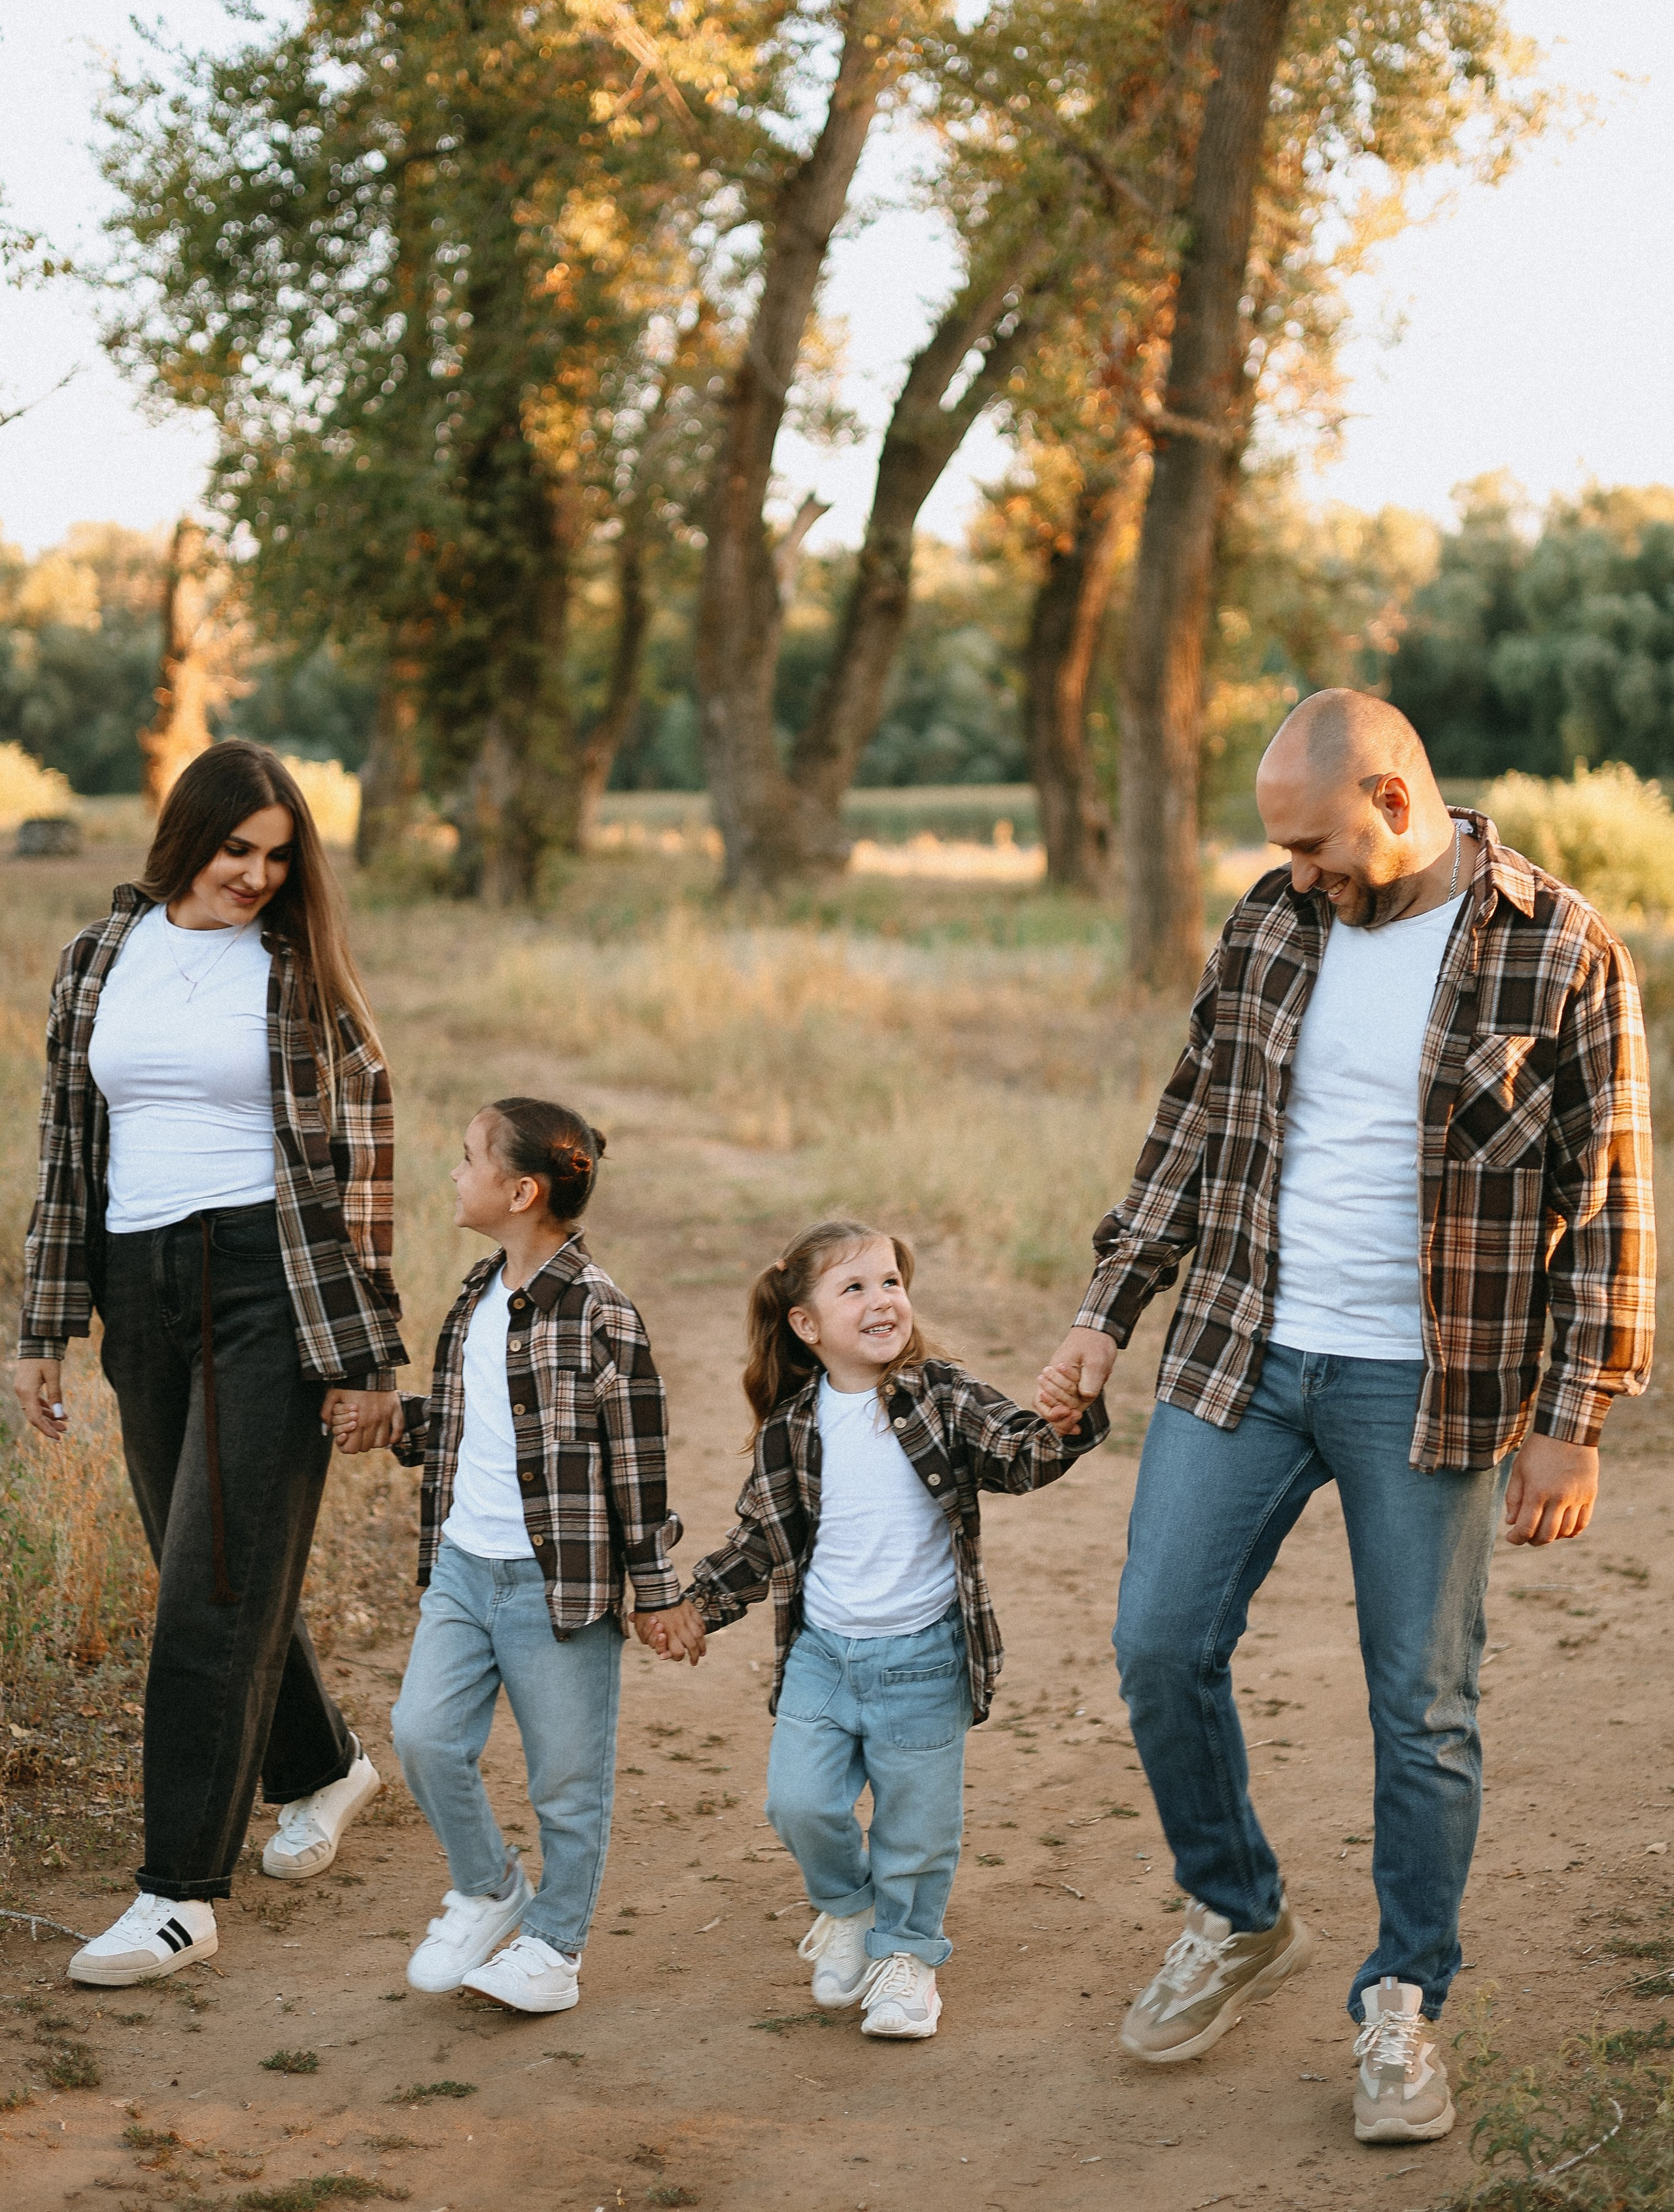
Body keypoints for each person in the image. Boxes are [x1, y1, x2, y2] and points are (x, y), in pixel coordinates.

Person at [1036, 689, 1655, 2145]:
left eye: (1311, 842)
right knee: (1155, 1642)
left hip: (1426, 1390)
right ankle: (1239, 1915)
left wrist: (1574, 1414)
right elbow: (1188, 1124)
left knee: (1418, 1708)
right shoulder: (1269, 926)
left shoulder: (1559, 947)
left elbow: (1615, 1202)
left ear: (1390, 799)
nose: (1293, 870)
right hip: (1243, 1351)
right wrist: (1099, 1314)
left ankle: (1401, 2001)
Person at [14, 739, 407, 1988]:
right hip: (141, 1292)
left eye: (278, 857)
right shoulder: (96, 958)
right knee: (214, 1566)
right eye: (238, 849)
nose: (255, 876)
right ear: (188, 837)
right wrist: (43, 1330)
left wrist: (366, 1355)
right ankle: (324, 1764)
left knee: (207, 1596)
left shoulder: (300, 975)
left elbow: (364, 1171)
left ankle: (179, 1894)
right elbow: (66, 1152)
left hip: (265, 1290)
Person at [664, 1218, 1109, 2042]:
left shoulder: (940, 1395)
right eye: (855, 1287)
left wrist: (1066, 1422)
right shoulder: (791, 1426)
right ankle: (846, 1909)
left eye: (892, 1283)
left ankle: (906, 1959)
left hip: (923, 1659)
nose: (882, 1301)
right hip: (823, 1656)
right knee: (797, 1803)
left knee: (916, 1828)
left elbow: (1017, 1456)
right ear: (807, 1324)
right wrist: (695, 1605)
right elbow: (761, 1539)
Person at [345, 1097, 701, 2015]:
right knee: (423, 1735)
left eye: (468, 1160)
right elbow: (482, 1430)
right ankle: (489, 1886)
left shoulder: (601, 1315)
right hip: (465, 1567)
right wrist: (396, 1422)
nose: (455, 1174)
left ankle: (553, 1946)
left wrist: (656, 1591)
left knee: (567, 1782)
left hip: (560, 1586)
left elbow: (636, 1463)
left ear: (521, 1189)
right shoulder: (477, 1293)